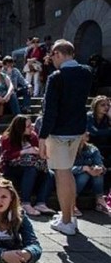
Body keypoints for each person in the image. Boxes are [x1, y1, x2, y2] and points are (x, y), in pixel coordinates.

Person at [39, 39, 93, 236]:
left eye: (52, 55)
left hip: (59, 131)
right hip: (77, 129)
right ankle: (69, 215)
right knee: (68, 172)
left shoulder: (57, 77)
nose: (50, 59)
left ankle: (66, 221)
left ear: (58, 54)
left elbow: (50, 110)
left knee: (62, 175)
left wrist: (42, 137)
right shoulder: (86, 72)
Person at [0, 115, 56, 216]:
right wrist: (24, 151)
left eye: (32, 125)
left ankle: (41, 202)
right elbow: (7, 156)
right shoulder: (7, 138)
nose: (32, 128)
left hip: (31, 165)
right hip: (13, 168)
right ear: (20, 128)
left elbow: (37, 149)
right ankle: (25, 202)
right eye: (28, 126)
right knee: (31, 169)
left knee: (50, 173)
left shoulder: (33, 136)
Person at [71, 132, 110, 217]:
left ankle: (99, 200)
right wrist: (84, 168)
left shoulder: (92, 149)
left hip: (91, 181)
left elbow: (100, 165)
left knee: (97, 173)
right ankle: (71, 201)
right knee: (84, 175)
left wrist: (99, 169)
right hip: (73, 180)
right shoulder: (68, 149)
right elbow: (64, 169)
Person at [86, 95, 111, 159]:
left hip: (106, 146)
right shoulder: (89, 116)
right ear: (96, 106)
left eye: (108, 105)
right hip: (92, 146)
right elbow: (94, 132)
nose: (106, 107)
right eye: (103, 105)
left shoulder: (107, 117)